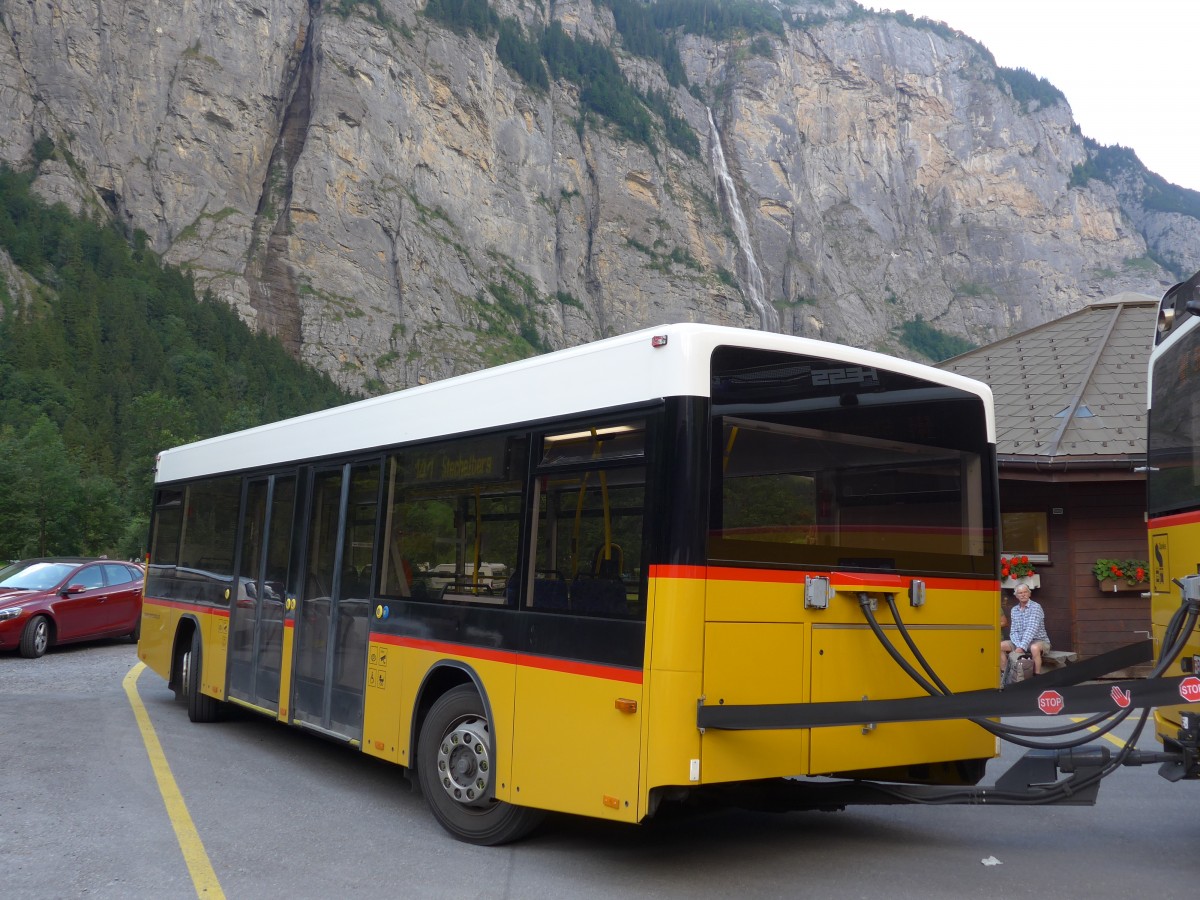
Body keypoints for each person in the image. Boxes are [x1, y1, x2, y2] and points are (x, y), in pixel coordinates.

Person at [1001, 583, 1052, 675]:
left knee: (1034, 648)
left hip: (1038, 641)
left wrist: (1021, 647)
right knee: (999, 646)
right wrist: (1018, 645)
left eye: (1025, 592)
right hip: (1019, 642)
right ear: (1016, 596)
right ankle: (1005, 674)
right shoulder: (1014, 610)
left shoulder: (1036, 607)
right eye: (1020, 593)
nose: (1023, 594)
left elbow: (1031, 629)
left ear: (1029, 594)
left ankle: (1037, 676)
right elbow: (1013, 631)